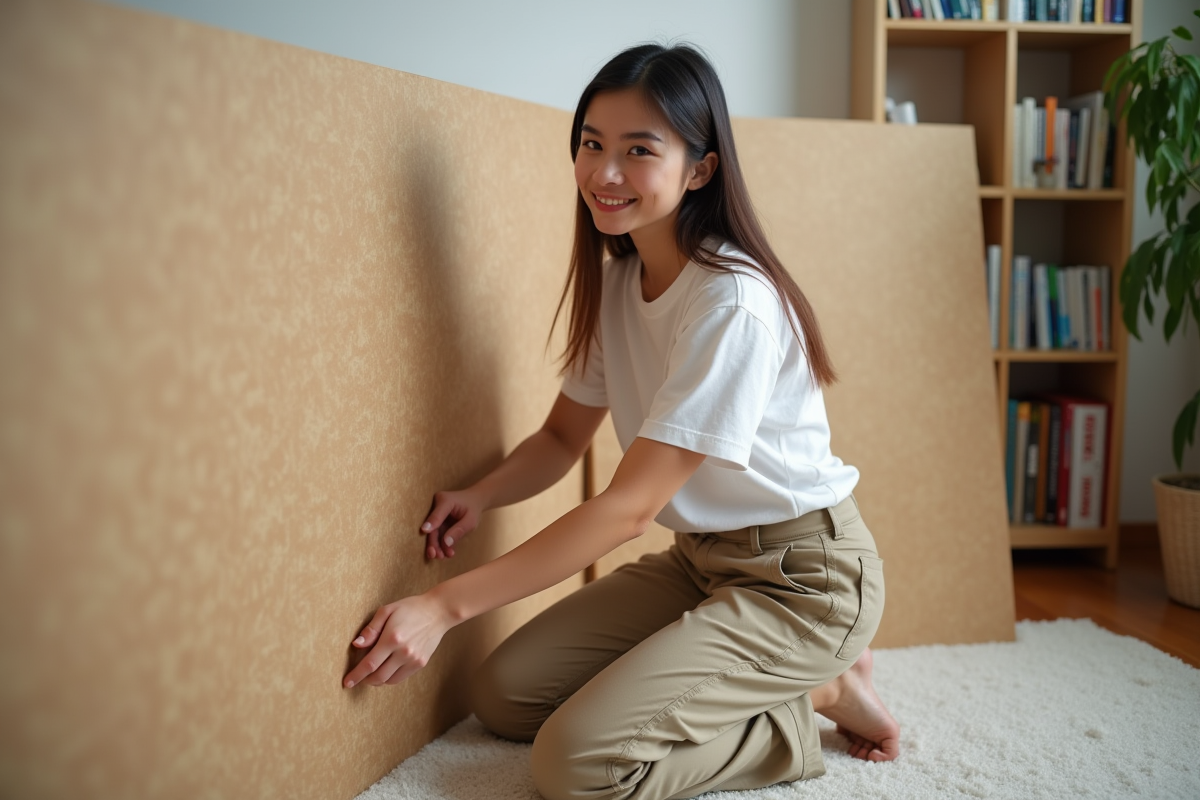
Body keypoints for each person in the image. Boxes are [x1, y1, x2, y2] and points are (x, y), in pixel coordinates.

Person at [343, 42, 900, 800]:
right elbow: (561, 438)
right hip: (701, 562)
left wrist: (445, 605)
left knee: (576, 766)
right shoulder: (622, 280)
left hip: (804, 580)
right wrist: (482, 496)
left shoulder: (731, 305)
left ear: (699, 168)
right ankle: (775, 678)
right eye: (592, 145)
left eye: (640, 150)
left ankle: (808, 701)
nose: (605, 173)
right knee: (505, 696)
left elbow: (629, 509)